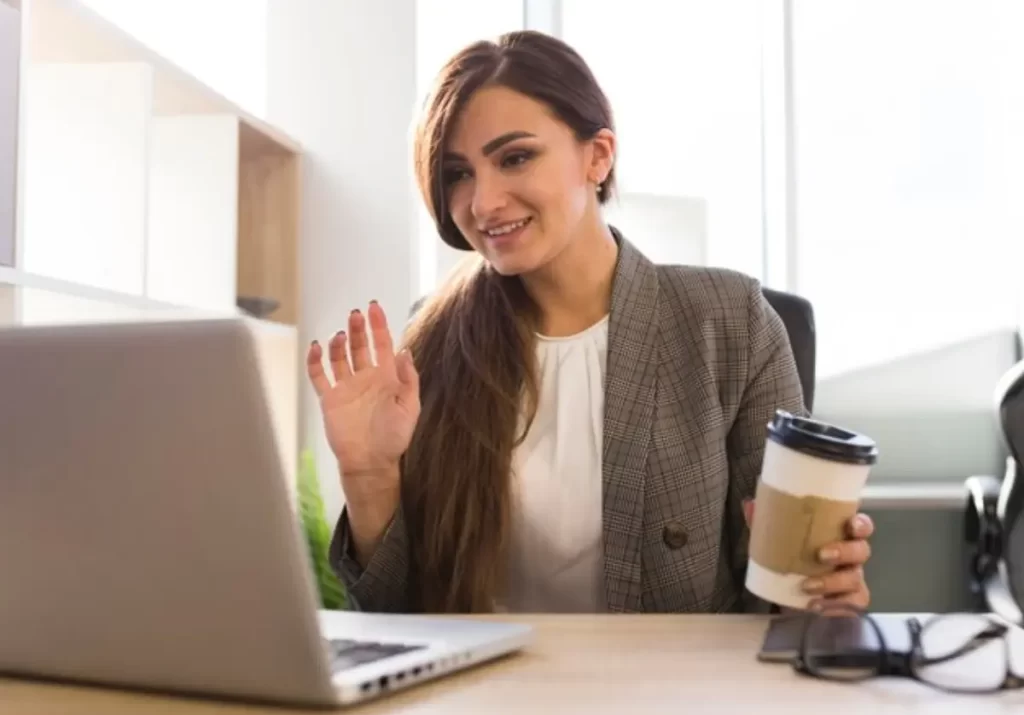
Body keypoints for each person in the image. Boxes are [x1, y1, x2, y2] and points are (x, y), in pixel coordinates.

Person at [305, 30, 875, 614]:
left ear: (597, 156)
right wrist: (369, 473)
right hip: (482, 699)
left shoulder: (731, 323)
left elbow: (783, 600)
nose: (483, 202)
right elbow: (396, 616)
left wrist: (821, 593)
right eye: (458, 174)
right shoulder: (431, 340)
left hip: (671, 695)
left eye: (515, 157)